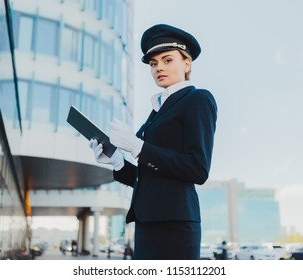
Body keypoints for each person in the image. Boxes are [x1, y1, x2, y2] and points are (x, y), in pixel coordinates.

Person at [89, 24, 217, 260]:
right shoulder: (157, 110)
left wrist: (138, 147)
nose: (159, 68)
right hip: (147, 223)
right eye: (153, 63)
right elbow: (152, 177)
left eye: (167, 60)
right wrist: (118, 163)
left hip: (175, 225)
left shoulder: (197, 99)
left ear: (187, 64)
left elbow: (198, 169)